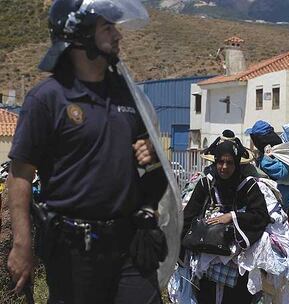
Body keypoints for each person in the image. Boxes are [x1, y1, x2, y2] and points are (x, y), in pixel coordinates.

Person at [7, 0, 169, 303]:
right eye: (107, 27)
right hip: (73, 251)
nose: (118, 35)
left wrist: (152, 164)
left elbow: (151, 168)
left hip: (129, 245)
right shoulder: (47, 99)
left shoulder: (128, 95)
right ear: (79, 34)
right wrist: (22, 244)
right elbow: (20, 175)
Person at [182, 131, 270, 304]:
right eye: (220, 162)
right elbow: (189, 215)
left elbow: (261, 216)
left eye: (229, 163)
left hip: (237, 261)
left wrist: (232, 216)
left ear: (237, 164)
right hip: (207, 256)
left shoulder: (248, 186)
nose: (224, 167)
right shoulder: (206, 183)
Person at [246, 120, 289, 266]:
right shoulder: (279, 148)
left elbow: (282, 171)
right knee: (288, 238)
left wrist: (263, 161)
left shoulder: (280, 151)